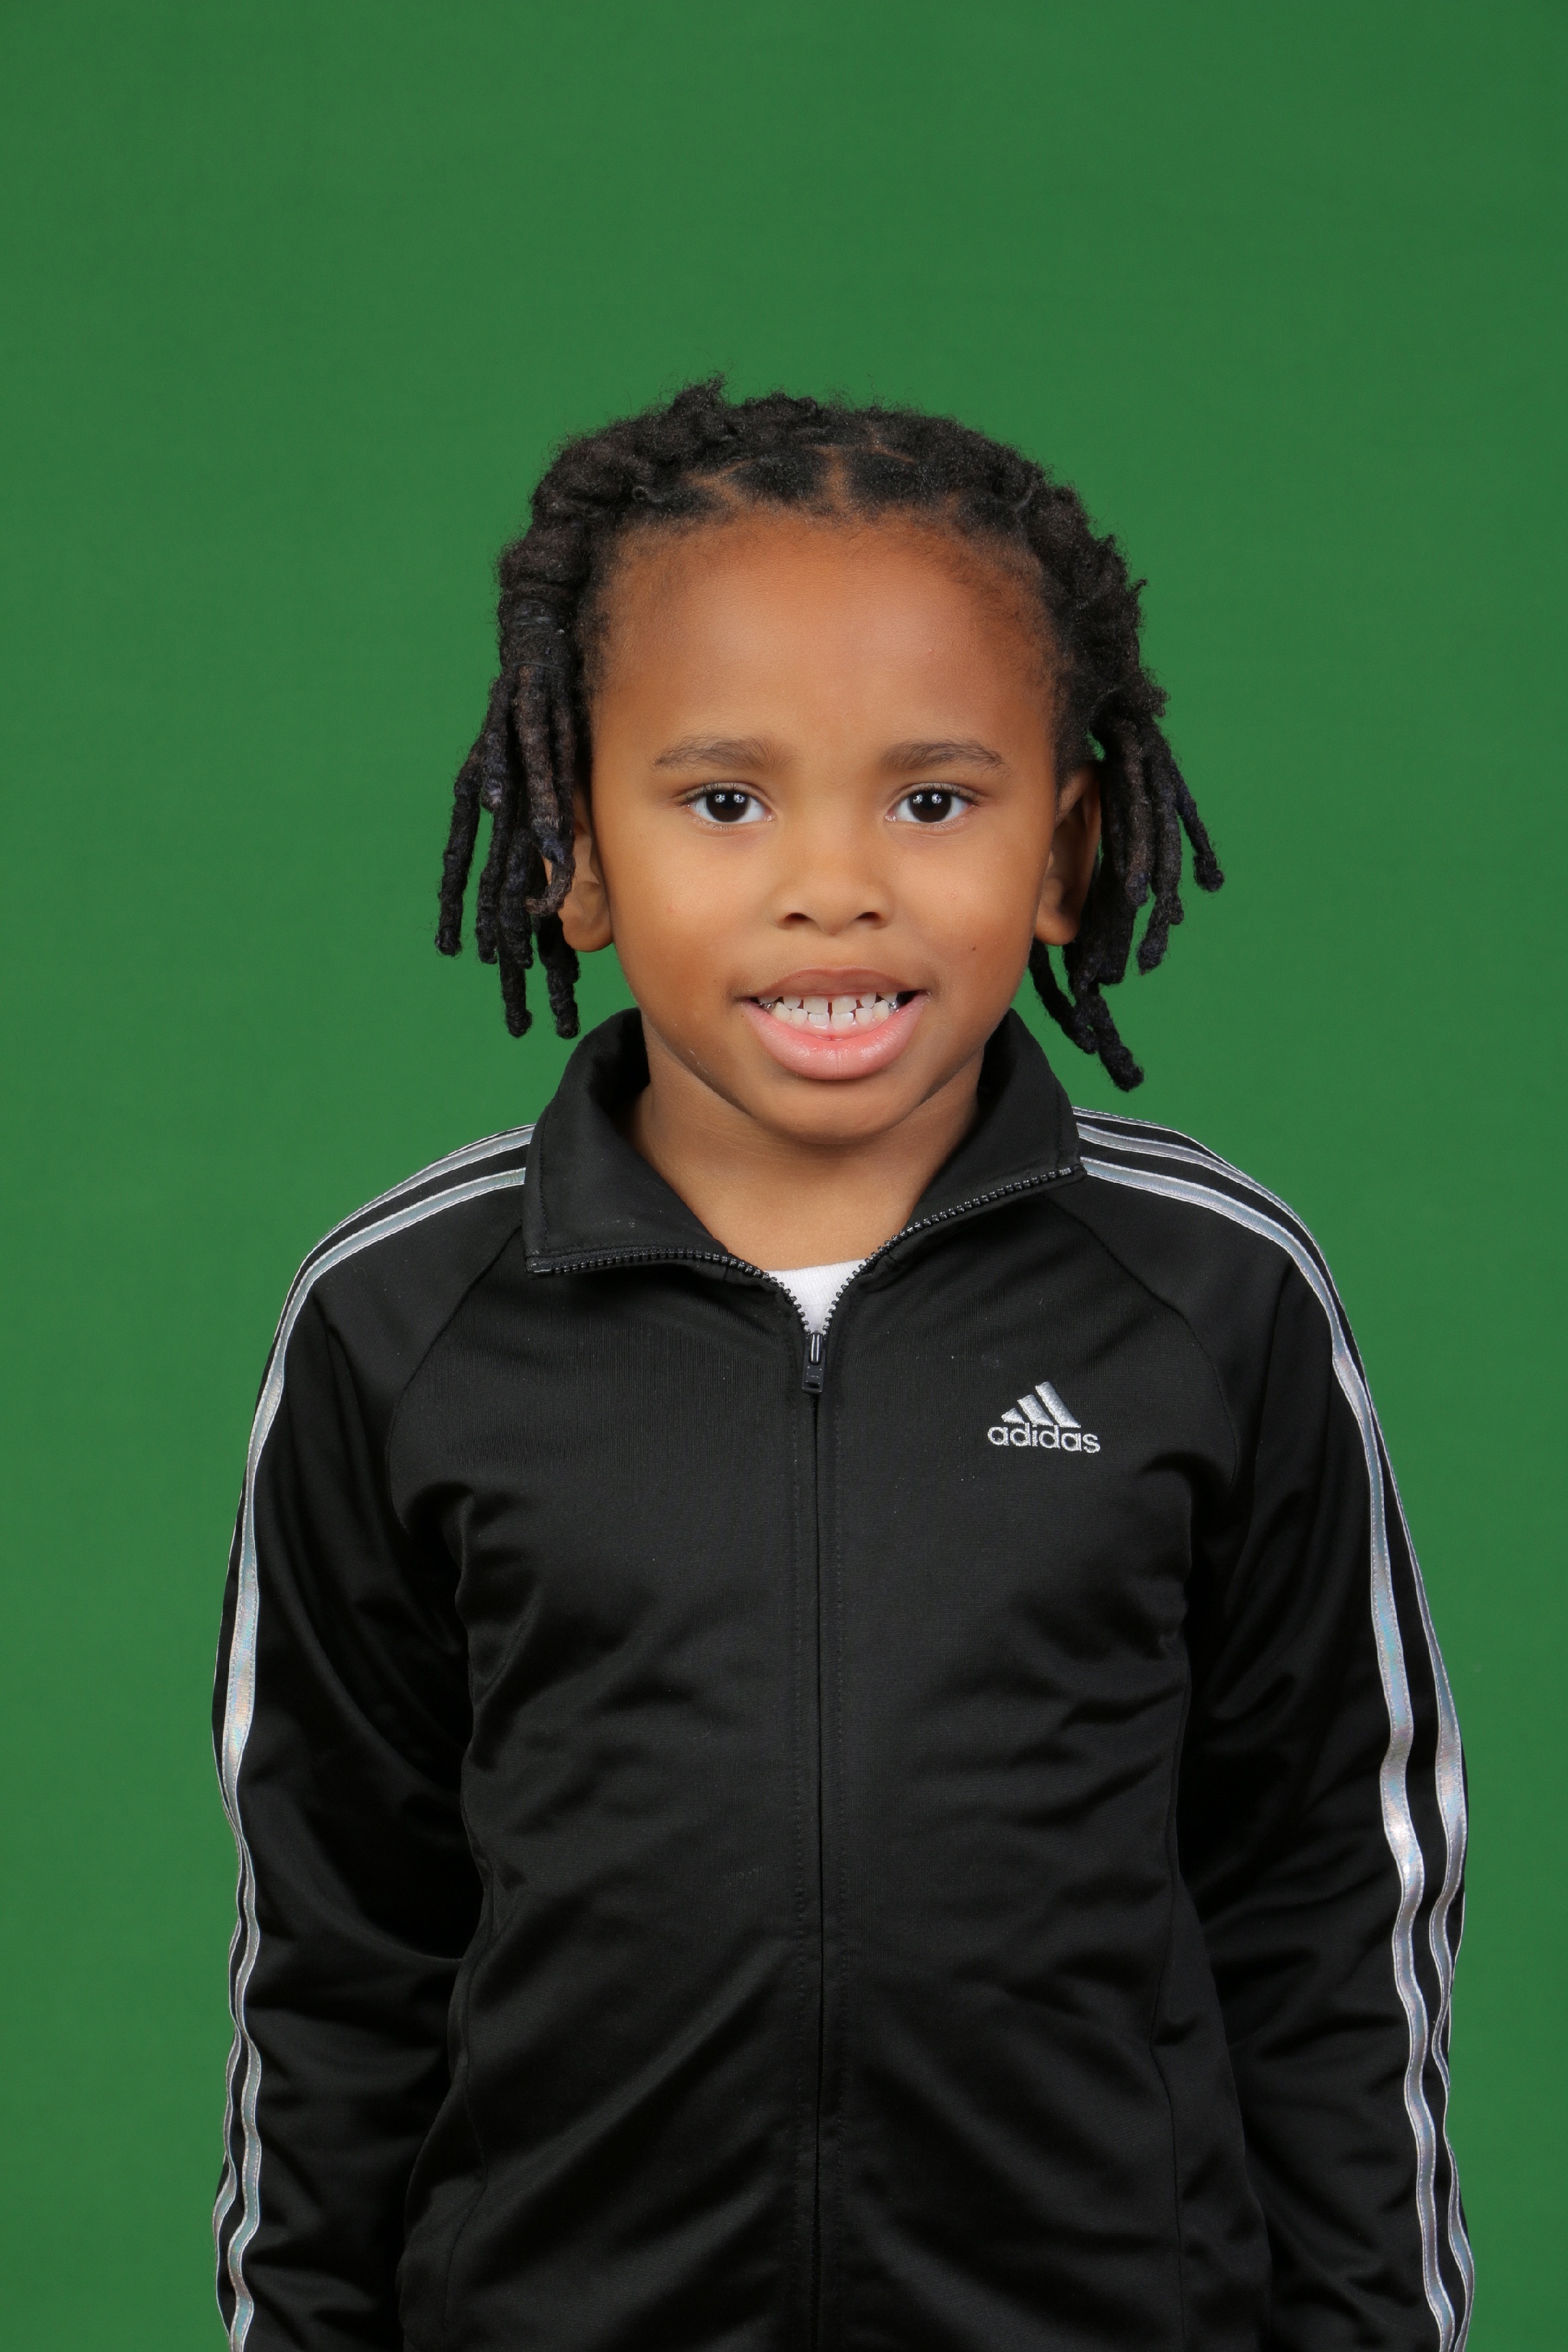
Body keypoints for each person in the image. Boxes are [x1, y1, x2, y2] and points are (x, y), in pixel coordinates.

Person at [212, 384, 1470, 2351]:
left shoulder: (1215, 1301)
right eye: (725, 800)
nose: (835, 882)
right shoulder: (401, 1325)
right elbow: (336, 1962)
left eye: (934, 800)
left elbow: (1334, 1910)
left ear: (1064, 852)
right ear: (575, 853)